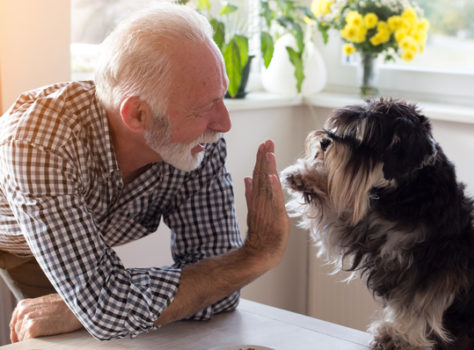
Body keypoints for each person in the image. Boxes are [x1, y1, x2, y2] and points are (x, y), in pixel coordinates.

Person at [0, 3, 290, 342]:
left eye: (221, 96)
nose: (224, 123)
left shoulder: (197, 143)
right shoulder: (39, 142)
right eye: (203, 107)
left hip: (72, 241)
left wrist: (94, 305)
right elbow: (108, 310)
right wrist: (256, 256)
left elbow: (222, 289)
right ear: (137, 115)